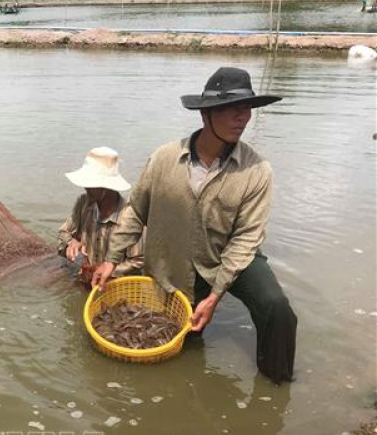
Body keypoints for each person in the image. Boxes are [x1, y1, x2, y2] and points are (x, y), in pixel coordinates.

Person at [92, 67, 297, 384]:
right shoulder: (164, 158)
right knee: (180, 341)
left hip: (229, 255)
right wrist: (111, 258)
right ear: (206, 114)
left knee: (276, 307)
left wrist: (215, 295)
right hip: (173, 257)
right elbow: (136, 210)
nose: (242, 118)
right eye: (232, 109)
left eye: (246, 109)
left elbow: (246, 238)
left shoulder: (257, 170)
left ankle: (277, 385)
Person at [57, 146, 144, 284]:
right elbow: (62, 232)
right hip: (83, 278)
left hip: (114, 285)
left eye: (91, 185)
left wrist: (108, 269)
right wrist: (70, 242)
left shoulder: (129, 216)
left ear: (106, 187)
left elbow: (138, 261)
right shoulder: (83, 203)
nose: (86, 188)